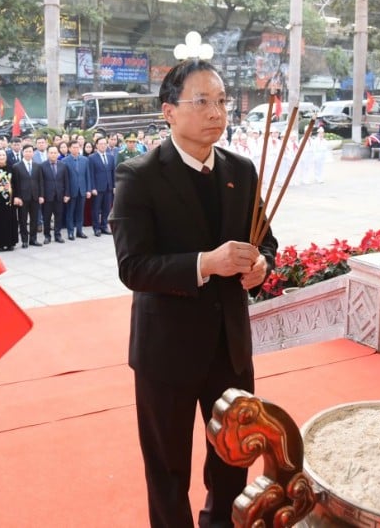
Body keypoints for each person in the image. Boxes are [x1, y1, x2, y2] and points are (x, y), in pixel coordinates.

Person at [109, 59, 277, 528]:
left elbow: (265, 238)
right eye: (201, 101)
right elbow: (133, 267)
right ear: (169, 111)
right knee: (167, 469)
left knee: (232, 457)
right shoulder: (139, 175)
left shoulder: (240, 170)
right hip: (167, 351)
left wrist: (262, 264)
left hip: (230, 346)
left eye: (222, 101)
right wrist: (207, 263)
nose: (216, 112)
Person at [11, 143, 43, 248]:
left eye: (30, 151)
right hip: (22, 198)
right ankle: (24, 240)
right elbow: (14, 184)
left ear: (33, 153)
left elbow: (40, 182)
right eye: (26, 151)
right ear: (22, 152)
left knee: (34, 219)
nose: (28, 153)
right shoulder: (16, 166)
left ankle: (33, 239)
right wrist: (16, 197)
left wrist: (41, 195)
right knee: (23, 220)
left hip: (35, 196)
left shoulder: (37, 166)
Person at [37, 146, 70, 244]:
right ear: (48, 154)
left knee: (58, 216)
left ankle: (58, 235)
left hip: (59, 196)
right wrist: (41, 196)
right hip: (47, 197)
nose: (53, 155)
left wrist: (67, 194)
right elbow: (41, 182)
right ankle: (47, 236)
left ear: (58, 154)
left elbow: (66, 181)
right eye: (51, 153)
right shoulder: (42, 166)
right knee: (46, 217)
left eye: (55, 153)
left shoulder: (63, 165)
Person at [62, 140, 91, 240]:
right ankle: (70, 232)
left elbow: (88, 176)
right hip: (71, 191)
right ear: (69, 148)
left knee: (80, 212)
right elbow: (64, 179)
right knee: (70, 212)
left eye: (77, 147)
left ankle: (79, 231)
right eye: (73, 147)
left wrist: (88, 190)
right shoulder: (64, 161)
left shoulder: (85, 160)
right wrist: (66, 193)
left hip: (82, 190)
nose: (76, 149)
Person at [88, 137, 115, 236]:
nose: (103, 145)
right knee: (96, 209)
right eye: (101, 144)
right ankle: (96, 228)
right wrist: (92, 188)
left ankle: (104, 226)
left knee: (107, 208)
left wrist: (114, 186)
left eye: (104, 143)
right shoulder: (92, 157)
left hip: (109, 187)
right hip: (97, 188)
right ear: (97, 145)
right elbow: (90, 174)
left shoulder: (111, 156)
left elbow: (113, 172)